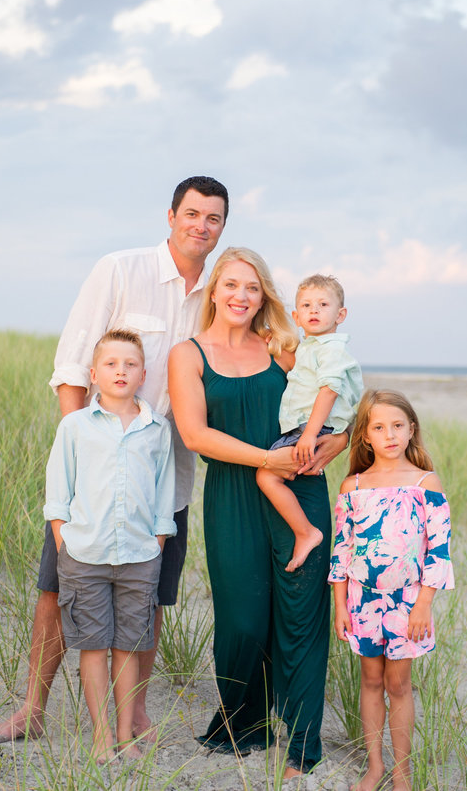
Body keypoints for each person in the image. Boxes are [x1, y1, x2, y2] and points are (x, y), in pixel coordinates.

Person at [0, 175, 228, 744]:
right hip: (94, 476)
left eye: (213, 218)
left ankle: (133, 716)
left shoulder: (219, 294)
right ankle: (33, 710)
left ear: (221, 228)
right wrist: (77, 455)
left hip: (166, 476)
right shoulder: (120, 270)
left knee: (150, 598)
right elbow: (72, 367)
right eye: (192, 213)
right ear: (170, 216)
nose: (200, 225)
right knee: (57, 589)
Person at [167, 247, 350, 778]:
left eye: (252, 287)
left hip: (300, 492)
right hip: (232, 496)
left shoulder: (283, 346)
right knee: (245, 621)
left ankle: (300, 745)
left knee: (299, 621)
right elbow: (195, 434)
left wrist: (335, 445)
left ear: (263, 295)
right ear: (214, 292)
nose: (241, 296)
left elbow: (333, 400)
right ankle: (245, 722)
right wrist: (264, 459)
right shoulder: (188, 354)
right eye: (231, 285)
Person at [44, 329, 175, 763]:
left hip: (139, 557)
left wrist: (156, 542)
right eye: (112, 364)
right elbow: (58, 492)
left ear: (142, 374)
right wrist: (65, 542)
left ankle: (125, 736)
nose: (121, 370)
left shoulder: (157, 429)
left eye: (130, 364)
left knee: (129, 647)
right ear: (95, 374)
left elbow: (164, 492)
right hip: (85, 556)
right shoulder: (75, 425)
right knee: (93, 646)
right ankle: (101, 736)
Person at [329, 389, 455, 791]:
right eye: (379, 427)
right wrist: (340, 607)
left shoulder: (425, 482)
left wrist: (424, 605)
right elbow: (341, 551)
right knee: (369, 680)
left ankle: (403, 771)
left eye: (398, 426)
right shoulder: (353, 486)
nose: (389, 435)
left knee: (398, 684)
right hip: (362, 601)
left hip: (407, 603)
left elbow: (439, 550)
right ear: (365, 435)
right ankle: (375, 766)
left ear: (411, 429)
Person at [256, 274, 362, 572]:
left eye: (323, 304)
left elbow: (329, 391)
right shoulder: (310, 347)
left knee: (266, 477)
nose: (314, 311)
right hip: (306, 428)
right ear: (296, 317)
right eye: (306, 305)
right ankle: (303, 530)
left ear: (340, 314)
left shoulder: (331, 349)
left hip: (312, 429)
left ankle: (306, 533)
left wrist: (310, 434)